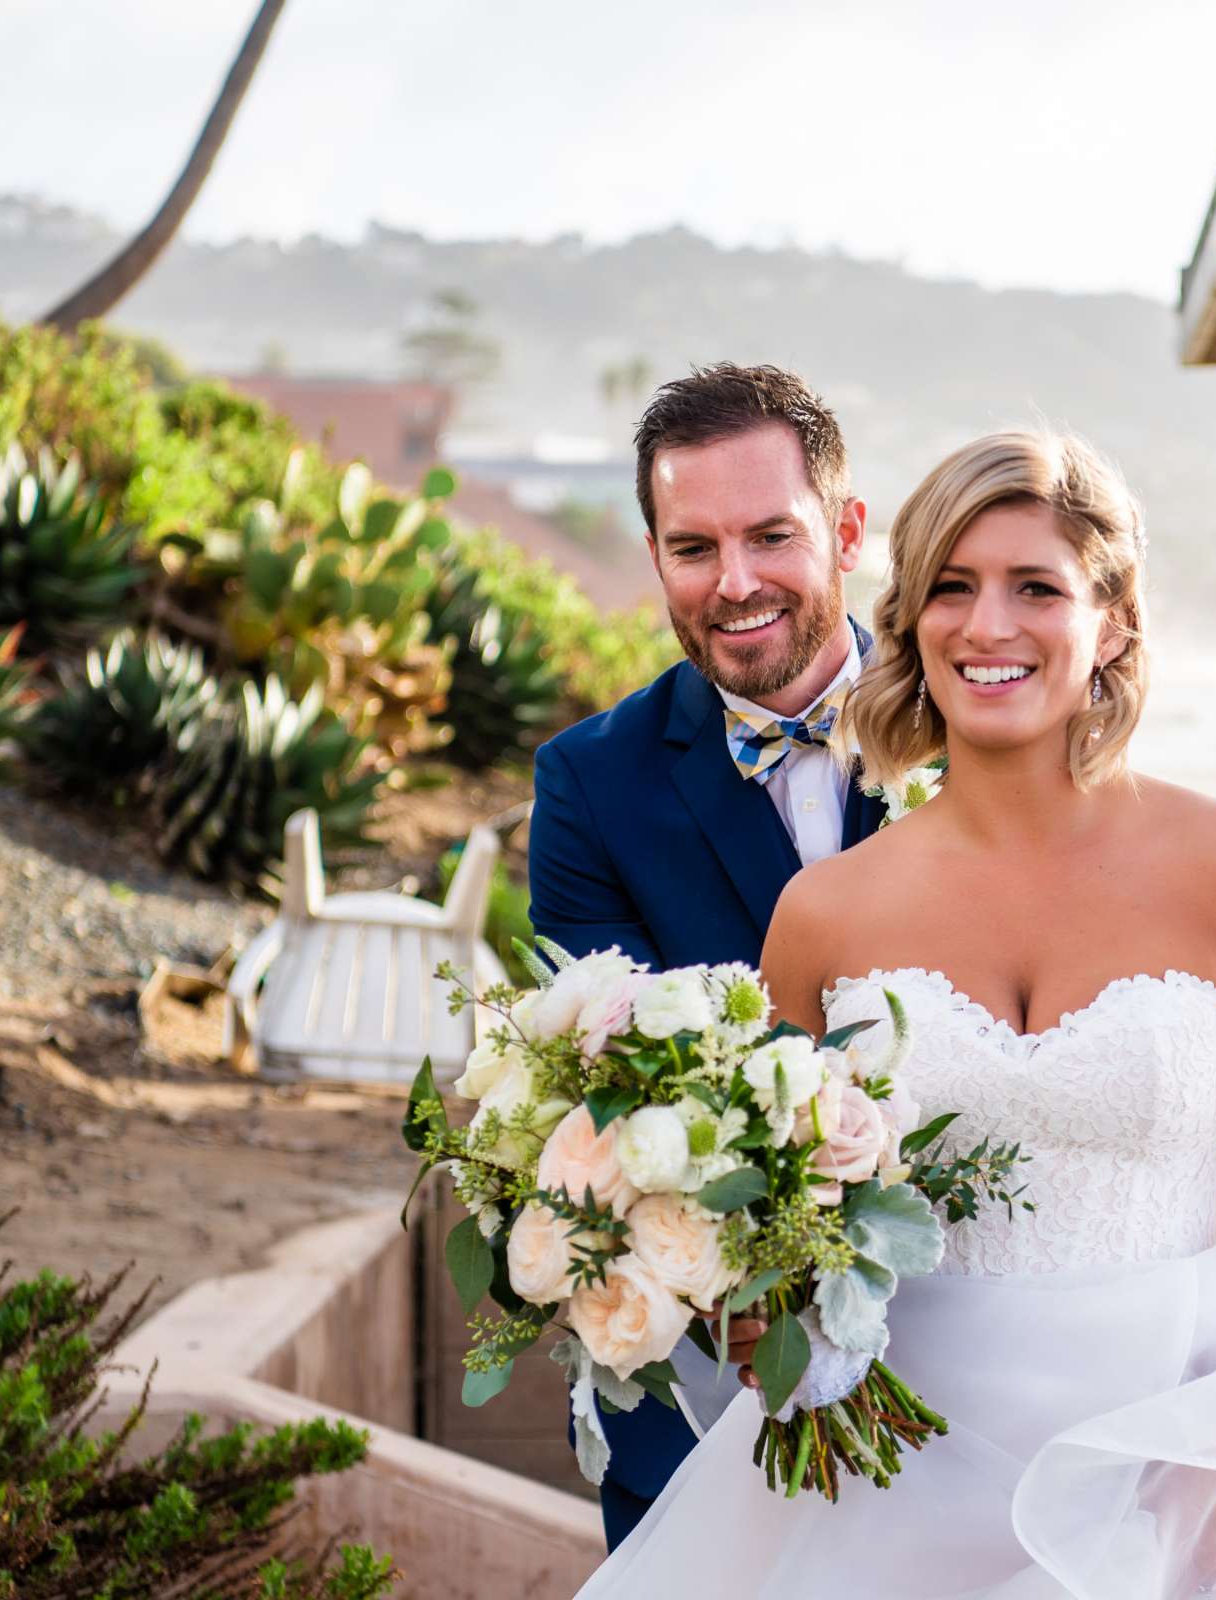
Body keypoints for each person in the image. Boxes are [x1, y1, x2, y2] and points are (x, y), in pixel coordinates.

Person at [576, 430, 1216, 1598]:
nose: (987, 625)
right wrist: (761, 1317)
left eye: (1036, 587)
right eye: (951, 585)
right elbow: (773, 1220)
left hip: (1170, 1472)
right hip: (886, 1493)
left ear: (1114, 622)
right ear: (912, 623)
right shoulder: (824, 914)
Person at [526, 362, 885, 1548]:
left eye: (771, 536)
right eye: (693, 547)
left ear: (844, 529)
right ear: (655, 554)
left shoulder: (981, 721)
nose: (735, 585)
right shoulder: (591, 783)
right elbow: (604, 1098)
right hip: (697, 1410)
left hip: (986, 1397)